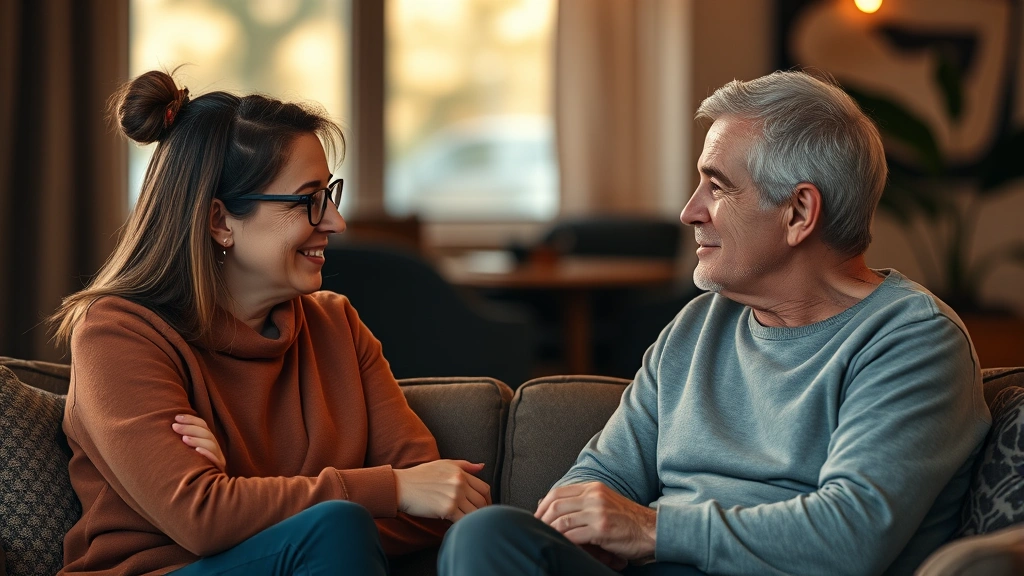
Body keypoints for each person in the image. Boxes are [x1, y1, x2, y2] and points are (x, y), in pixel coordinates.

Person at [437, 70, 991, 575]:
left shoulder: (911, 338)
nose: (689, 211)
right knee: (492, 535)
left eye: (717, 186)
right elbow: (600, 475)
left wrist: (652, 528)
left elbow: (851, 535)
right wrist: (588, 523)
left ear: (799, 212)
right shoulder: (698, 325)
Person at [49, 70, 491, 575]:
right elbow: (203, 519)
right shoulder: (117, 334)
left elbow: (433, 507)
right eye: (308, 200)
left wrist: (238, 491)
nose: (335, 222)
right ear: (219, 221)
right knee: (336, 528)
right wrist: (386, 490)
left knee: (337, 529)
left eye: (330, 194)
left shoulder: (337, 324)